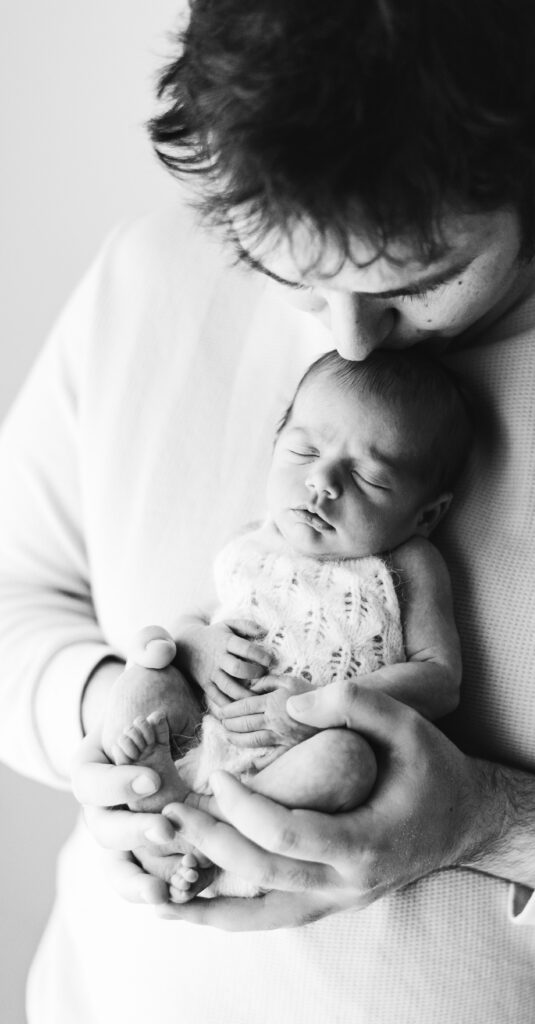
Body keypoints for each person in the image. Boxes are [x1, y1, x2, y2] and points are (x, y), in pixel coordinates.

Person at [1, 0, 535, 1021]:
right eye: (287, 270)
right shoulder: (148, 275)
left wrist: (496, 823)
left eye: (420, 279)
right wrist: (104, 716)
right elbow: (19, 596)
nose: (350, 345)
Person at [104, 348, 466, 901]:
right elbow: (194, 621)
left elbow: (440, 679)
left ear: (425, 514)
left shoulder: (408, 562)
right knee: (142, 681)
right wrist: (199, 647)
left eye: (369, 478)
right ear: (276, 447)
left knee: (348, 765)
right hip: (205, 733)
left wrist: (317, 705)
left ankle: (205, 826)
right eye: (304, 450)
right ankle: (160, 813)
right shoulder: (253, 540)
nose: (322, 481)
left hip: (297, 764)